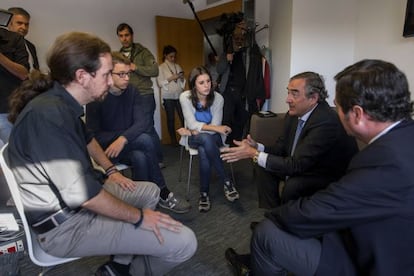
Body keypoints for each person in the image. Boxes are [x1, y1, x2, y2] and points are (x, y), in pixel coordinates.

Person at [5, 32, 197, 276]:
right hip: (66, 226)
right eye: (107, 74)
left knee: (149, 190)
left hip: (80, 203)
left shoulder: (61, 104)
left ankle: (118, 266)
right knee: (185, 242)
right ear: (83, 76)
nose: (111, 81)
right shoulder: (49, 115)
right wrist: (138, 217)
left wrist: (111, 170)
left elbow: (89, 140)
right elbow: (84, 196)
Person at [229, 59, 414, 275]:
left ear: (357, 114)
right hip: (366, 228)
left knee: (266, 233)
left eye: (339, 106)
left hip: (374, 260)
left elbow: (322, 207)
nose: (336, 111)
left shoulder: (383, 161)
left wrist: (275, 217)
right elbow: (282, 148)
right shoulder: (402, 138)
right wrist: (257, 148)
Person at [221, 71, 358, 209]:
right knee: (262, 166)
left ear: (313, 98)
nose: (288, 99)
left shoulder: (325, 122)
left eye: (295, 93)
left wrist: (253, 154)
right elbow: (281, 148)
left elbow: (296, 166)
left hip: (327, 176)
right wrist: (257, 147)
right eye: (288, 92)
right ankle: (273, 216)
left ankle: (286, 224)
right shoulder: (293, 115)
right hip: (304, 165)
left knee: (294, 185)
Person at [86, 51, 191, 214]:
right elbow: (94, 136)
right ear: (109, 74)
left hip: (130, 144)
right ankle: (163, 192)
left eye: (128, 73)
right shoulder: (97, 97)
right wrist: (122, 137)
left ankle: (142, 202)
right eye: (121, 74)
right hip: (108, 150)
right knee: (145, 139)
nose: (127, 78)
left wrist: (123, 138)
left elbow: (143, 122)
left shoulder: (132, 91)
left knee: (140, 157)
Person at [178, 66, 239, 212]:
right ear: (193, 85)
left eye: (208, 81)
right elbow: (193, 124)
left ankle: (204, 194)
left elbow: (214, 124)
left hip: (211, 138)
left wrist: (197, 130)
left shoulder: (218, 98)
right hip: (194, 138)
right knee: (204, 141)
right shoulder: (185, 97)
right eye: (201, 83)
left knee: (205, 146)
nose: (206, 86)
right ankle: (226, 181)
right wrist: (214, 129)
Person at [116, 22, 165, 168]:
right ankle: (143, 157)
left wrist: (135, 67)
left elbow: (154, 71)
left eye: (126, 35)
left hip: (144, 95)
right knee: (134, 128)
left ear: (131, 35)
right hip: (126, 96)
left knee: (147, 127)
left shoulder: (143, 52)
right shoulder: (118, 55)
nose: (124, 38)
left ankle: (158, 160)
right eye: (121, 36)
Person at [0, 27, 29, 147]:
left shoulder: (14, 38)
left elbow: (23, 73)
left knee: (14, 155)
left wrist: (1, 57)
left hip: (7, 111)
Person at [157, 45, 185, 146]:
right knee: (171, 119)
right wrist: (172, 78)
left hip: (179, 95)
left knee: (183, 117)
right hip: (168, 96)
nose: (173, 58)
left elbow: (182, 84)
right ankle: (173, 141)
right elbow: (160, 83)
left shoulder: (178, 66)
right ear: (165, 55)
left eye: (174, 56)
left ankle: (185, 139)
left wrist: (181, 79)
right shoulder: (161, 67)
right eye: (171, 56)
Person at [8, 7, 39, 72]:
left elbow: (36, 69)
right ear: (9, 23)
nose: (23, 27)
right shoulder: (2, 43)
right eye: (19, 23)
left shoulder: (31, 46)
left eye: (26, 24)